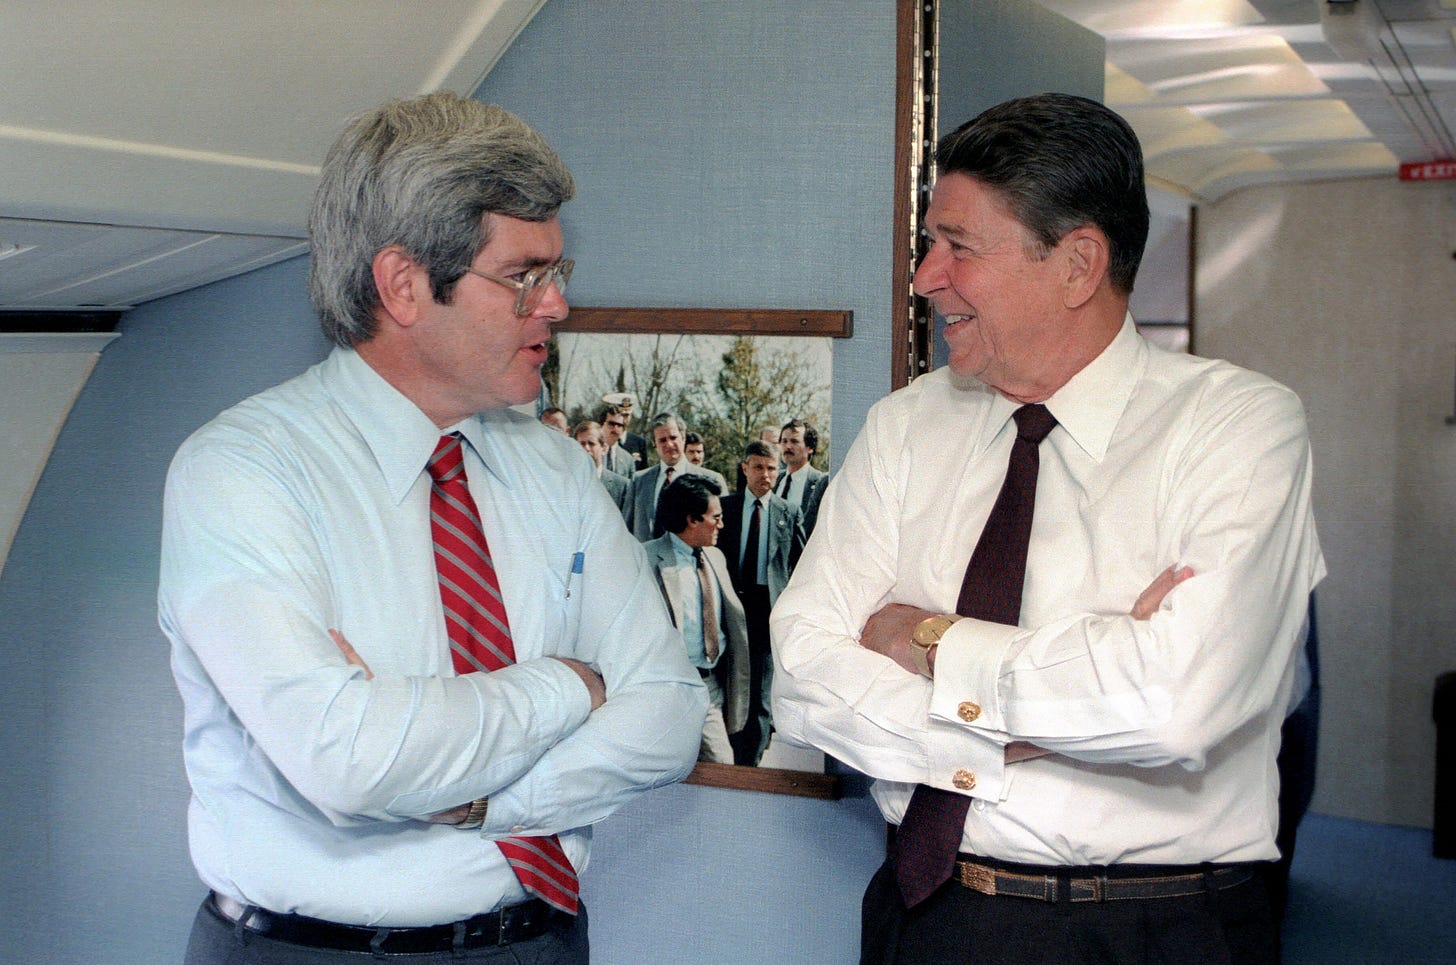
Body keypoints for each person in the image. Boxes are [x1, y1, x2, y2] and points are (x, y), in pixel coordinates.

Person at [771, 92, 1323, 965]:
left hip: (1157, 930)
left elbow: (1178, 704)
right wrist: (1064, 698)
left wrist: (920, 637)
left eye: (958, 246)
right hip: (929, 915)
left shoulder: (1240, 426)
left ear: (1077, 265)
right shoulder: (907, 426)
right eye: (929, 243)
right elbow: (801, 672)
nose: (924, 276)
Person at [159, 91, 706, 964]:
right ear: (404, 284)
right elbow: (349, 762)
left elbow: (672, 715)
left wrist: (483, 801)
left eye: (557, 270)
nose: (557, 305)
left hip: (540, 941)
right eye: (524, 276)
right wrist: (571, 685)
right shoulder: (240, 471)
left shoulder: (554, 464)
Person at [643, 475, 750, 763]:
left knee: (722, 765)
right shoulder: (646, 559)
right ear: (692, 519)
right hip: (665, 691)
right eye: (715, 517)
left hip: (709, 688)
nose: (721, 525)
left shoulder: (715, 558)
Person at [719, 440, 805, 766]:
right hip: (732, 606)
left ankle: (751, 759)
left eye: (771, 468)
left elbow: (799, 567)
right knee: (732, 682)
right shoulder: (725, 508)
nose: (765, 475)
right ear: (745, 469)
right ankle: (730, 748)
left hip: (767, 610)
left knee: (761, 687)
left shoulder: (788, 513)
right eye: (758, 467)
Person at [625, 413, 726, 542]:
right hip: (645, 559)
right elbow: (626, 530)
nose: (669, 444)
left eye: (673, 437)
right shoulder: (638, 481)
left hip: (691, 560)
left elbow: (722, 531)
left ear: (683, 438)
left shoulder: (710, 480)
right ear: (654, 443)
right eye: (662, 440)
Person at [776, 419, 828, 537]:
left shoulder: (821, 483)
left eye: (794, 441)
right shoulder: (775, 480)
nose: (788, 446)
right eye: (784, 441)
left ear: (810, 448)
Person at [573, 419, 630, 519]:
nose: (586, 448)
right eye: (582, 444)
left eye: (591, 443)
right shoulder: (565, 483)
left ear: (604, 448)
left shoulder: (622, 487)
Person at [601, 391, 649, 471]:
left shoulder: (639, 442)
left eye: (627, 415)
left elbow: (644, 472)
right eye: (621, 415)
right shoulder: (599, 441)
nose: (624, 420)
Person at [598, 402, 639, 477]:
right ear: (601, 425)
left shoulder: (628, 459)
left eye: (619, 425)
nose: (615, 428)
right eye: (611, 424)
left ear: (623, 429)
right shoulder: (591, 452)